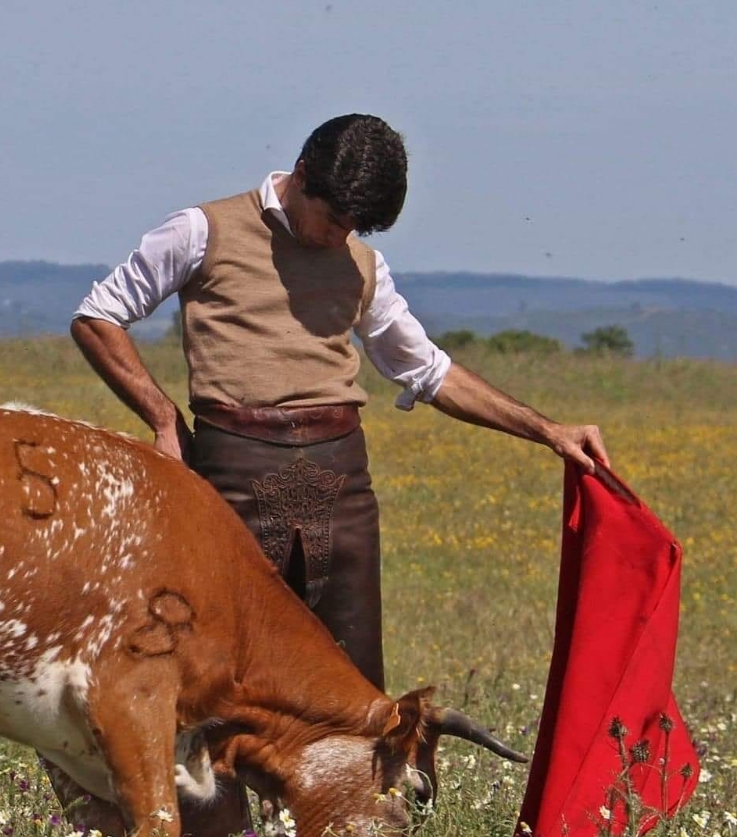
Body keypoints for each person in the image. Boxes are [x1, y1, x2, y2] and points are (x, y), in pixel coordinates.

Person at [71, 113, 607, 694]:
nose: (339, 237)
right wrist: (164, 418)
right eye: (333, 219)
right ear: (302, 175)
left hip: (342, 485)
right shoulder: (202, 230)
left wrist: (548, 430)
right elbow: (99, 316)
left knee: (351, 686)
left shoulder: (363, 264)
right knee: (223, 680)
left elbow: (428, 369)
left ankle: (362, 788)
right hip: (230, 475)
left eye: (357, 226)